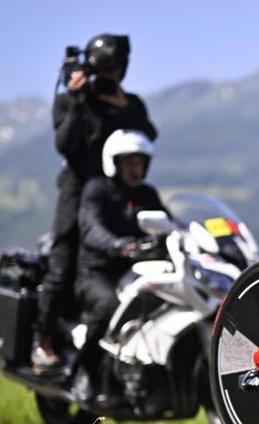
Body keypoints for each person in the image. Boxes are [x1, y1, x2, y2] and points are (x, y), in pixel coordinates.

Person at [34, 33, 158, 371]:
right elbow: (65, 145)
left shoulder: (127, 104)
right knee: (61, 263)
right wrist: (77, 103)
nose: (112, 77)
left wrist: (123, 106)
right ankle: (43, 342)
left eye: (117, 70)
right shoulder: (71, 101)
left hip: (114, 197)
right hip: (75, 194)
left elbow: (148, 134)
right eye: (108, 71)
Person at [73, 129, 168, 404]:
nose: (134, 168)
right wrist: (118, 245)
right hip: (97, 273)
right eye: (128, 162)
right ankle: (84, 372)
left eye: (138, 162)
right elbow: (91, 228)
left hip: (137, 272)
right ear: (113, 163)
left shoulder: (147, 194)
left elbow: (168, 224)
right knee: (108, 308)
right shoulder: (97, 190)